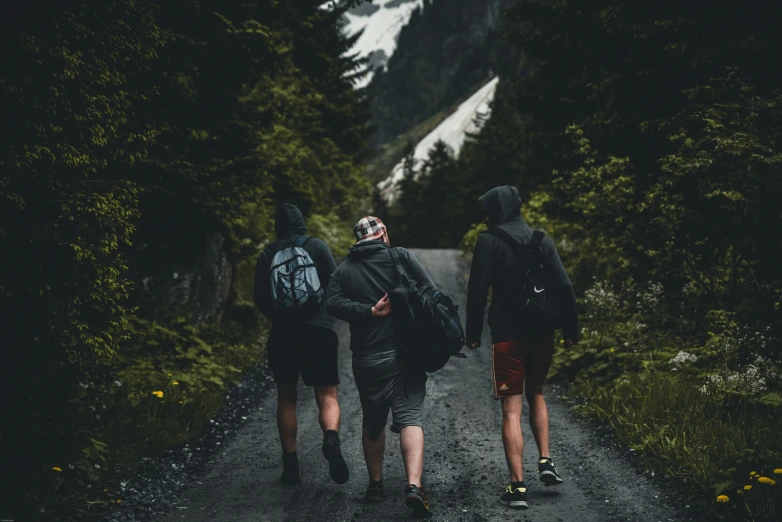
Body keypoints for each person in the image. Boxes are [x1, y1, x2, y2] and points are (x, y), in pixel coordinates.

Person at [465, 186, 579, 509]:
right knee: (537, 391)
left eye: (485, 211)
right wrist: (570, 330)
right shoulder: (542, 240)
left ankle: (517, 488)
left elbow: (477, 290)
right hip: (543, 333)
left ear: (495, 211)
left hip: (508, 336)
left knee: (511, 409)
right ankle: (545, 459)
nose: (484, 218)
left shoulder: (488, 242)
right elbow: (565, 285)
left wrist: (472, 333)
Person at [326, 216, 434, 519]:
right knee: (410, 418)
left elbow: (330, 304)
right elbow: (430, 292)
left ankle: (375, 485)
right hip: (405, 355)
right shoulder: (400, 257)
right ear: (382, 233)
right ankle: (414, 486)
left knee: (373, 423)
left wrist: (368, 311)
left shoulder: (344, 269)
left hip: (366, 360)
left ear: (358, 239)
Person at [254, 203, 349, 486]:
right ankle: (331, 439)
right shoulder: (317, 247)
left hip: (283, 334)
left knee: (287, 398)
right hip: (319, 331)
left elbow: (261, 298)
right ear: (302, 223)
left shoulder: (268, 253)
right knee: (327, 395)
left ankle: (291, 467)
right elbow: (336, 286)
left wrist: (281, 317)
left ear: (277, 226)